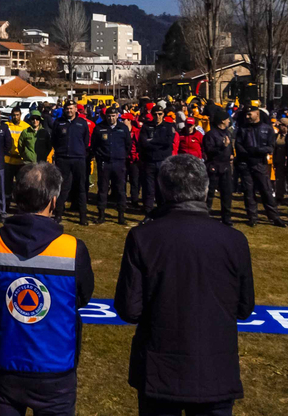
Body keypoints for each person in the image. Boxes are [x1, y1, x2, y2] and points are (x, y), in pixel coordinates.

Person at [115, 154, 254, 416]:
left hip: (161, 369)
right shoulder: (234, 240)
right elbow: (244, 307)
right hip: (215, 367)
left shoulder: (144, 237)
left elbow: (129, 309)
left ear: (162, 189)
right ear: (204, 189)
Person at [0, 162, 94, 416]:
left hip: (3, 362)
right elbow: (82, 297)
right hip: (55, 368)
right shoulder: (72, 248)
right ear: (54, 201)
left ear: (16, 196)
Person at [234, 104, 285, 228]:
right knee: (248, 191)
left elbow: (270, 147)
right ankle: (252, 217)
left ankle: (274, 217)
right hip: (245, 163)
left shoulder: (267, 129)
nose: (247, 116)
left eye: (249, 114)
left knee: (266, 190)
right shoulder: (243, 128)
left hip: (259, 163)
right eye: (246, 114)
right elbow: (238, 145)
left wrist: (255, 150)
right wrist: (248, 153)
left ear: (257, 113)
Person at [50, 102, 91, 225]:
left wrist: (79, 151)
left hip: (78, 158)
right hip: (63, 159)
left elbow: (86, 140)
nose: (69, 111)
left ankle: (83, 216)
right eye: (67, 108)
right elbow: (54, 140)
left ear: (75, 110)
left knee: (81, 187)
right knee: (63, 187)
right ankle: (58, 214)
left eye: (71, 108)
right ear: (64, 109)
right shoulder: (58, 122)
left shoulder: (82, 123)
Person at [90, 106, 132, 225]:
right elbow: (94, 145)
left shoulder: (123, 128)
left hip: (119, 162)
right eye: (109, 116)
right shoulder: (99, 128)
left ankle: (121, 214)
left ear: (117, 116)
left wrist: (122, 156)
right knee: (103, 189)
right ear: (105, 116)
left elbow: (128, 145)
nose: (111, 118)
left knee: (120, 189)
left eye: (113, 116)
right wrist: (100, 157)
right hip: (105, 163)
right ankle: (101, 214)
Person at [138, 109, 175, 213]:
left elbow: (168, 142)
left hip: (163, 161)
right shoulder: (146, 126)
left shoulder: (169, 126)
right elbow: (143, 142)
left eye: (160, 114)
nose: (158, 116)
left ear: (163, 114)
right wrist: (158, 143)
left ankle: (162, 209)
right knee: (149, 188)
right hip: (149, 161)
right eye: (155, 114)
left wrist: (152, 141)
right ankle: (148, 210)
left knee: (162, 188)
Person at [202, 108, 234, 226]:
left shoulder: (227, 132)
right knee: (209, 193)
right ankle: (205, 215)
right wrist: (222, 146)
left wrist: (231, 154)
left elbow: (230, 147)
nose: (229, 121)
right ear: (221, 121)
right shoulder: (211, 135)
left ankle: (226, 217)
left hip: (226, 167)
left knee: (227, 193)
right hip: (214, 167)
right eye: (227, 119)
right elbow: (209, 151)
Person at [0, 107, 15, 220]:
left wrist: (1, 154)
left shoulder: (4, 127)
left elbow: (8, 144)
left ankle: (2, 211)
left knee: (0, 189)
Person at [4, 108, 29, 202]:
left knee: (21, 184)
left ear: (20, 115)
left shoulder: (26, 127)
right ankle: (6, 204)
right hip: (8, 160)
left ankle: (19, 204)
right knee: (7, 185)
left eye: (17, 115)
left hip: (21, 161)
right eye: (14, 115)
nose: (16, 117)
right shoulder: (6, 126)